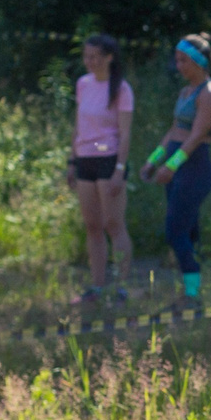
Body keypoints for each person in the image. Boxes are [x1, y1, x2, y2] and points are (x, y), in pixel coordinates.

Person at [140, 33, 211, 301]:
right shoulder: (185, 92)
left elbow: (196, 136)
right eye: (177, 60)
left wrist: (172, 166)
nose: (179, 66)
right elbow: (174, 131)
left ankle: (192, 293)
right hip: (178, 168)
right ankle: (195, 286)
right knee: (189, 230)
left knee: (175, 230)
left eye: (184, 61)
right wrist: (154, 160)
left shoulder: (210, 94)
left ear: (199, 62)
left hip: (195, 169)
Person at [65, 34, 134, 301]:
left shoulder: (121, 89)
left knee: (113, 223)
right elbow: (78, 126)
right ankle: (97, 285)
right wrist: (72, 160)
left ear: (109, 58)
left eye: (95, 56)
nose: (89, 62)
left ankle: (122, 286)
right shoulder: (83, 84)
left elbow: (125, 133)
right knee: (92, 224)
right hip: (85, 159)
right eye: (86, 56)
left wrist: (119, 169)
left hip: (109, 158)